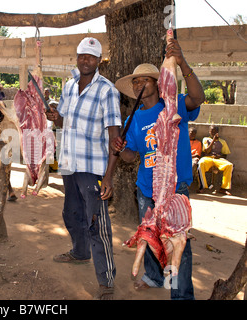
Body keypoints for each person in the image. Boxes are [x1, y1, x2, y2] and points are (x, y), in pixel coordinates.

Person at [111, 37, 205, 300]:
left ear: (157, 82)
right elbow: (131, 157)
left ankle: (182, 296)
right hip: (147, 189)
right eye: (135, 82)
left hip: (176, 187)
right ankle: (153, 276)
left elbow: (198, 97)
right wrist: (121, 148)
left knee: (179, 246)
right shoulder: (133, 119)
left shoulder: (173, 106)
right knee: (151, 237)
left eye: (144, 80)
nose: (139, 84)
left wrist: (183, 63)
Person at [46, 37, 121, 300]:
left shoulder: (107, 90)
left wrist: (109, 177)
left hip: (92, 167)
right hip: (69, 163)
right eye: (81, 55)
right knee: (71, 213)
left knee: (96, 224)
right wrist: (58, 118)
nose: (84, 60)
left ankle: (106, 280)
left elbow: (115, 136)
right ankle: (79, 252)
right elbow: (65, 121)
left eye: (90, 56)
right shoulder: (68, 86)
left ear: (99, 60)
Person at [197, 125, 233, 195]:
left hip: (218, 159)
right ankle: (202, 187)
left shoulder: (222, 141)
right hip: (208, 158)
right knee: (200, 163)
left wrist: (219, 156)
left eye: (215, 131)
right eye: (212, 131)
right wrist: (213, 140)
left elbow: (225, 154)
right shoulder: (205, 139)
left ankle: (223, 188)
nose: (213, 132)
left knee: (229, 165)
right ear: (209, 131)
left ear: (217, 132)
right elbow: (206, 151)